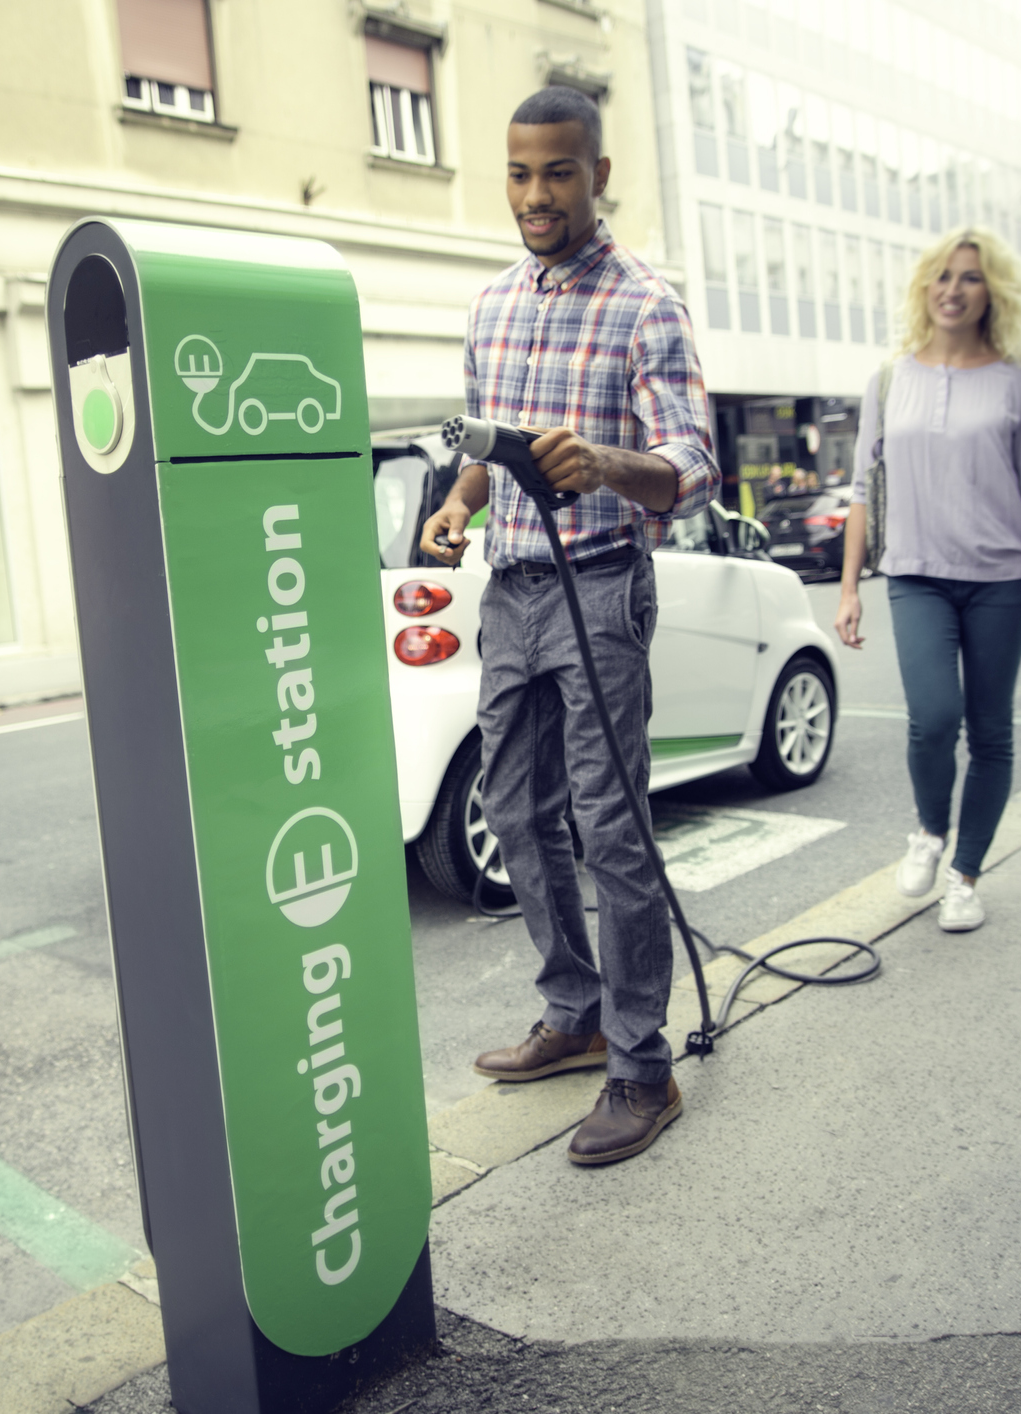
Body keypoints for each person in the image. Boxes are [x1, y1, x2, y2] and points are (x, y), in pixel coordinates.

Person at [419, 86, 715, 1166]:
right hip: (511, 590)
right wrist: (458, 504)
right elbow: (484, 450)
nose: (535, 194)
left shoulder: (646, 304)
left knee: (609, 825)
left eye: (556, 172)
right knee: (513, 808)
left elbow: (688, 464)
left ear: (597, 175)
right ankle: (575, 1012)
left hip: (599, 584)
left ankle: (642, 1067)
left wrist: (605, 463)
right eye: (518, 173)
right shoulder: (492, 304)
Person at [832, 228, 1021, 934]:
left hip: (1002, 578)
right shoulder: (889, 378)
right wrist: (848, 588)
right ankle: (929, 831)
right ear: (922, 288)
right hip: (915, 574)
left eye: (968, 278)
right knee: (934, 718)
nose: (952, 289)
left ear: (989, 292)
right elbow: (859, 490)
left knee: (989, 730)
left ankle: (965, 875)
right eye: (940, 276)